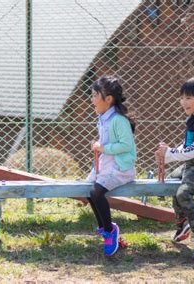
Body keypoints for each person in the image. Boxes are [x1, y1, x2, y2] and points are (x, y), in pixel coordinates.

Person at [155, 78, 194, 262]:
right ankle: (182, 222)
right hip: (191, 165)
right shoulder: (193, 119)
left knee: (183, 193)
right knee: (173, 183)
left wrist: (172, 153)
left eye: (189, 98)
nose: (183, 102)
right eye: (182, 97)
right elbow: (187, 145)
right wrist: (167, 155)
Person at [86, 75, 137, 256]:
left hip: (121, 168)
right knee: (88, 190)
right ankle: (104, 226)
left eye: (94, 96)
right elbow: (107, 142)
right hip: (107, 164)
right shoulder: (103, 118)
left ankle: (110, 231)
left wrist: (103, 147)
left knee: (96, 192)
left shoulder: (118, 120)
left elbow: (126, 146)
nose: (92, 99)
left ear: (108, 99)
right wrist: (100, 146)